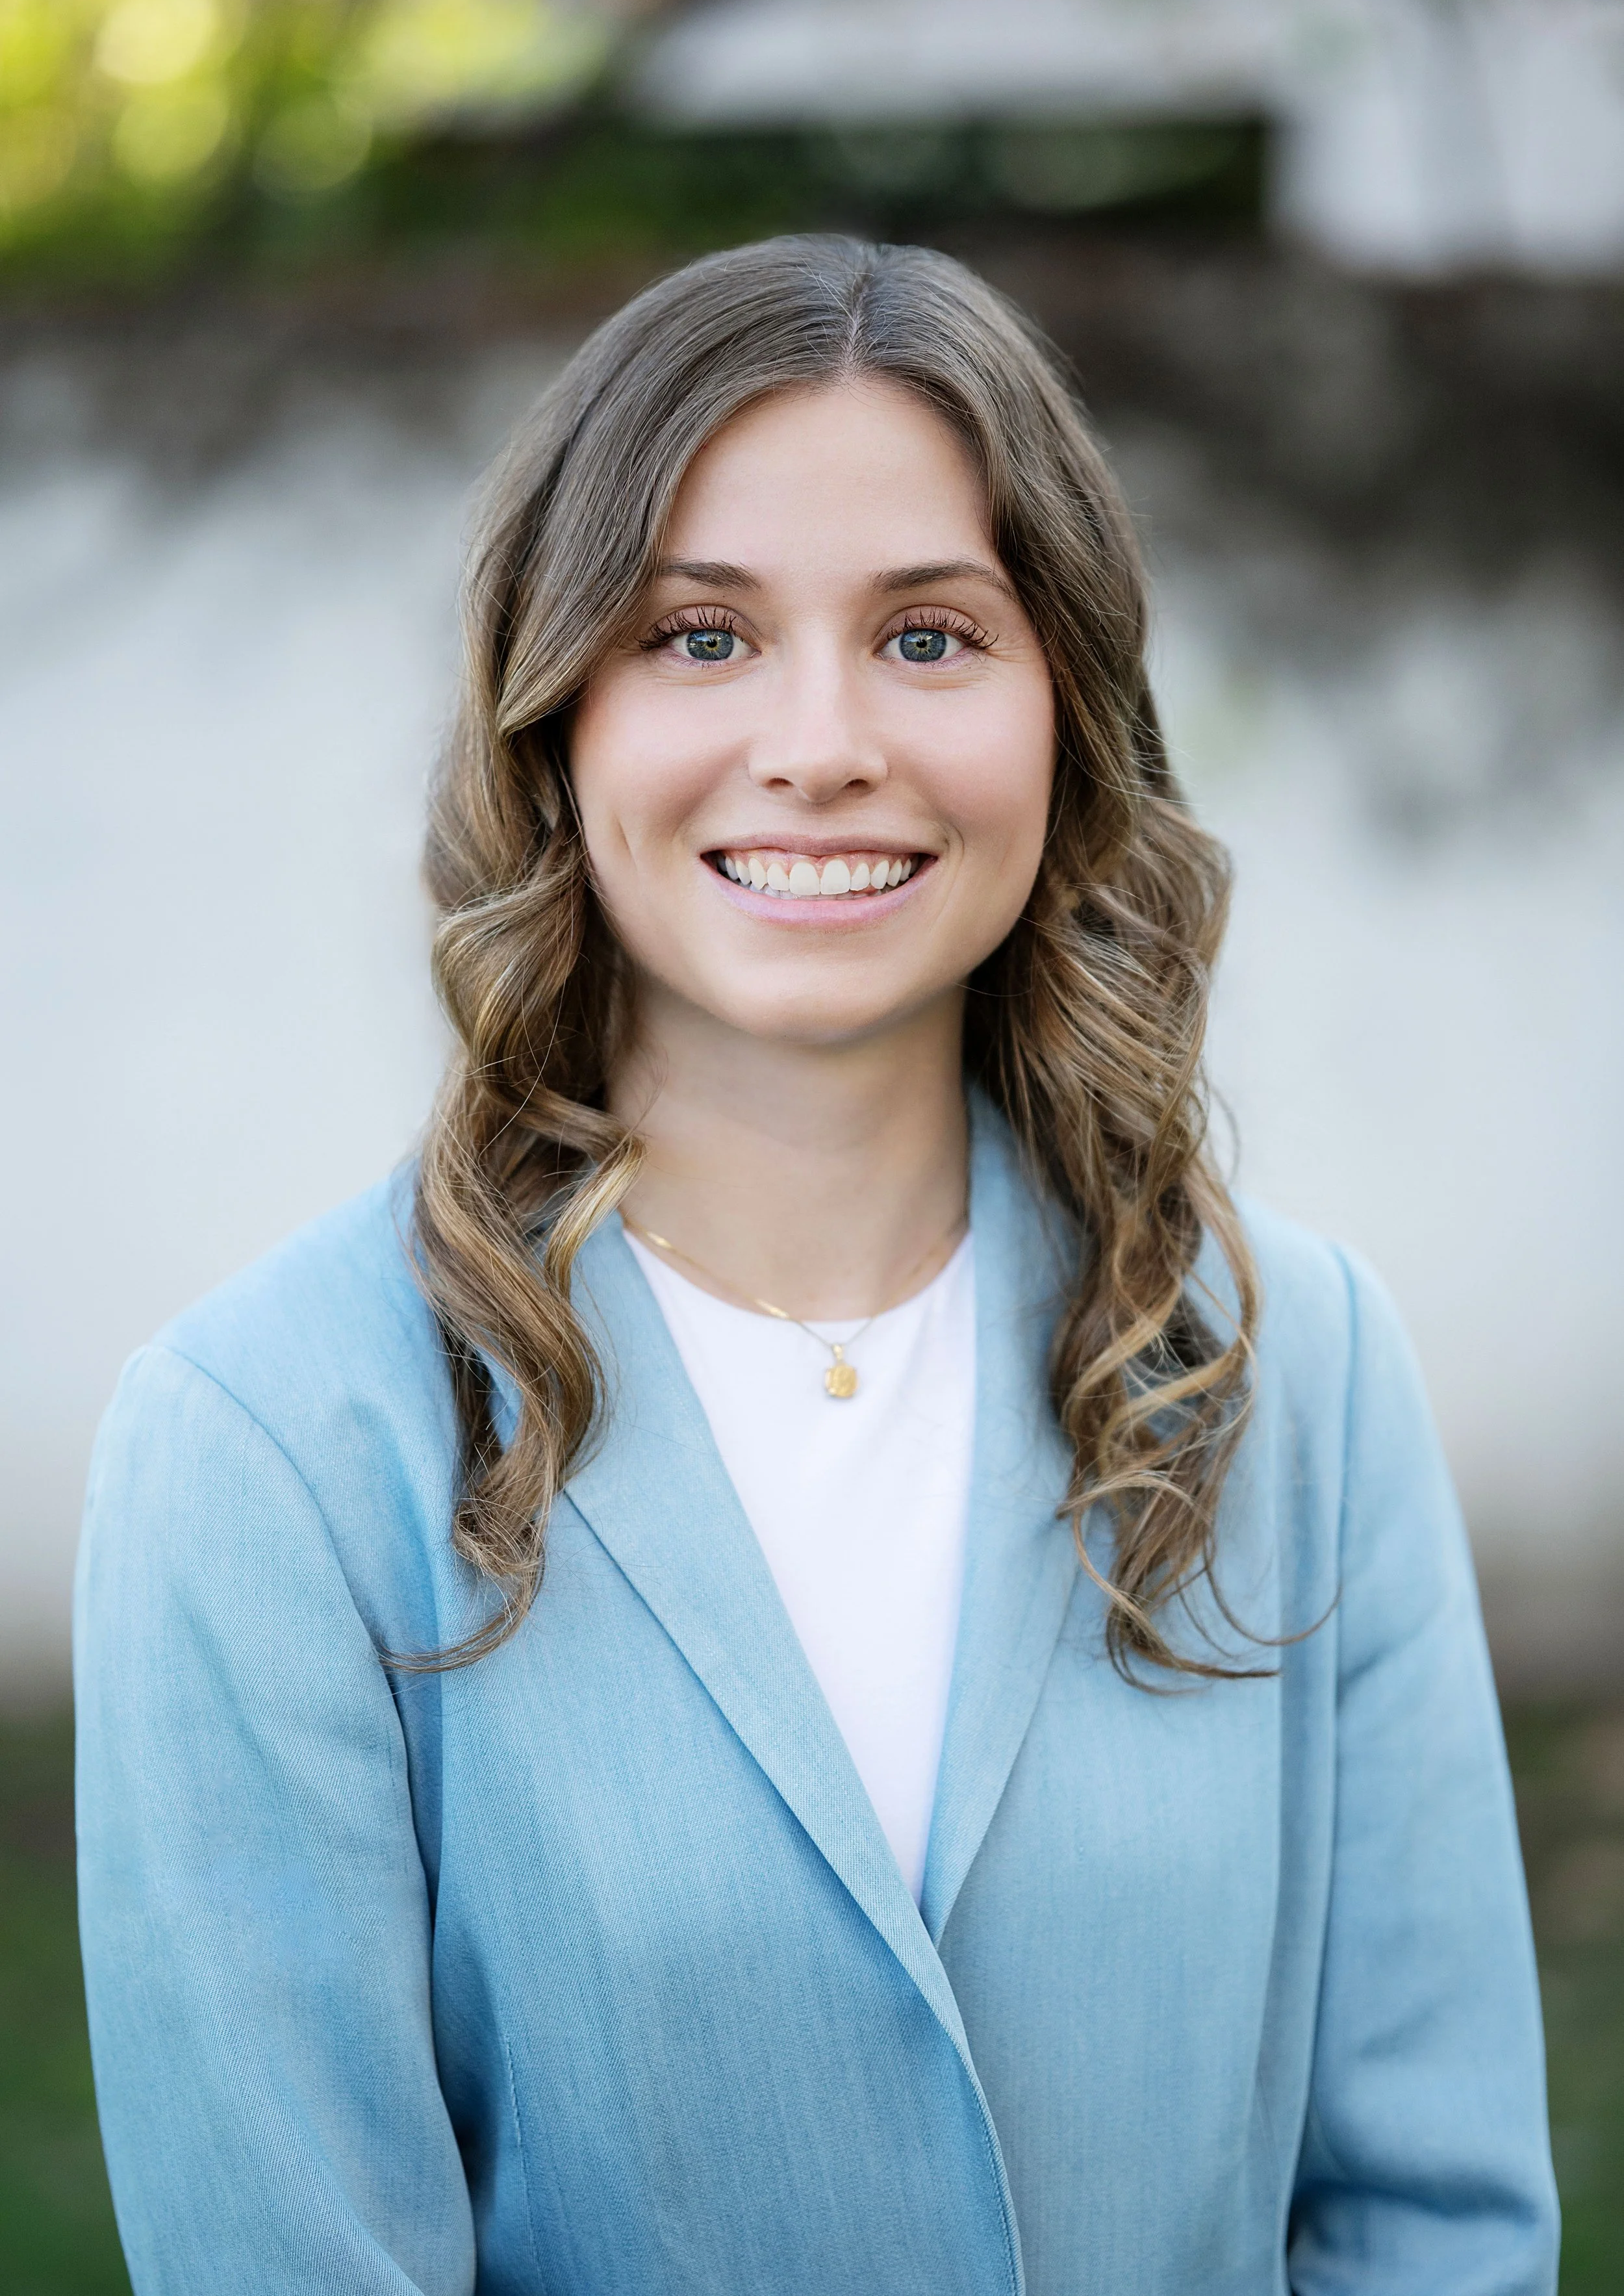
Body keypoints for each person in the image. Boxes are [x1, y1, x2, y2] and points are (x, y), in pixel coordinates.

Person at [75, 235, 1558, 2295]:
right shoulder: (266, 1449)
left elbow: (1434, 2228)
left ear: (1068, 709)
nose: (822, 739)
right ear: (555, 706)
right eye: (700, 637)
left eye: (931, 637)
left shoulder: (1297, 1371)